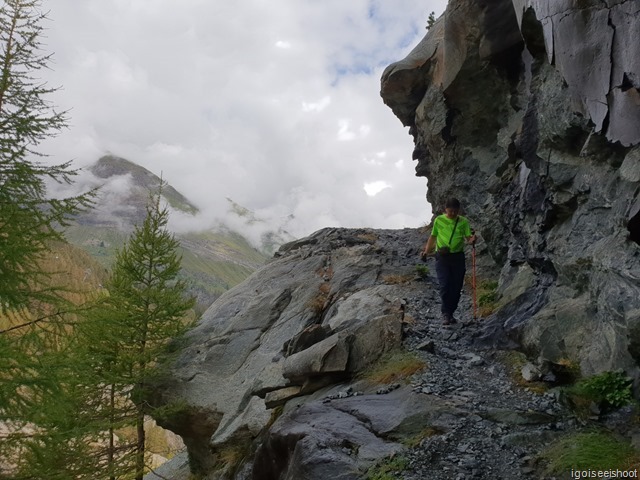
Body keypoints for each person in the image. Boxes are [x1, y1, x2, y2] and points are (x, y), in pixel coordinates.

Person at [421, 198, 476, 325]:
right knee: (444, 284)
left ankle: (451, 313)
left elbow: (468, 238)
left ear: (459, 210)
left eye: (455, 211)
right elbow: (433, 236)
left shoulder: (463, 222)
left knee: (456, 287)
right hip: (442, 257)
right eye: (450, 211)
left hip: (458, 257)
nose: (453, 214)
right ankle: (446, 313)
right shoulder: (439, 220)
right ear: (445, 209)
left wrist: (472, 240)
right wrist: (426, 251)